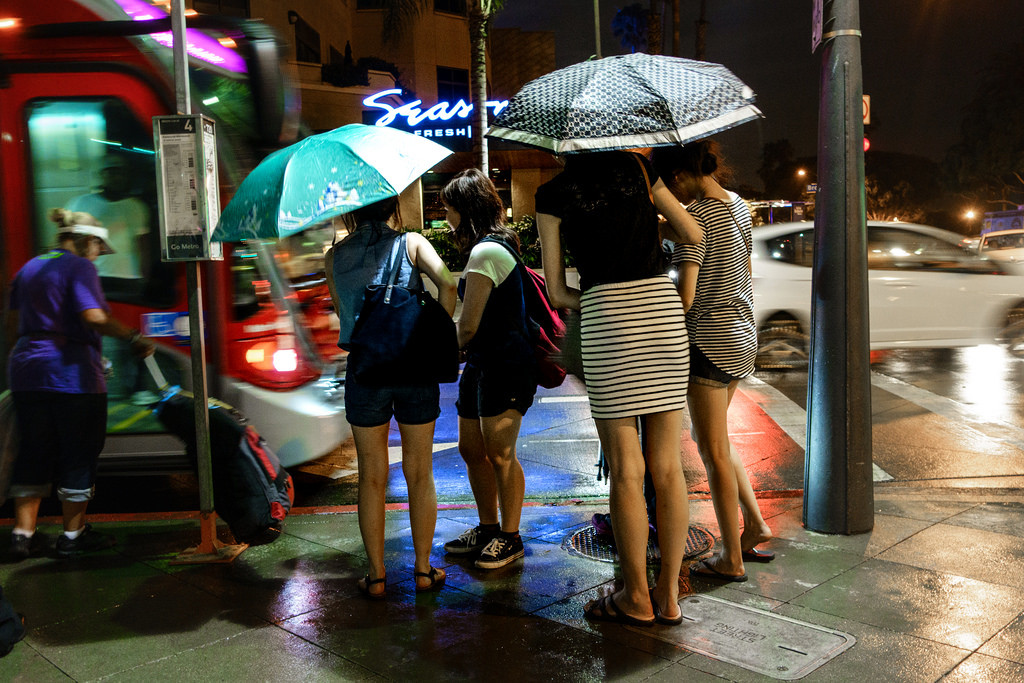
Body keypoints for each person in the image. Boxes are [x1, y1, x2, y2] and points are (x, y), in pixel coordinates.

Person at [535, 149, 702, 626]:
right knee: (668, 469)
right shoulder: (639, 170)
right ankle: (669, 597)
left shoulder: (551, 195)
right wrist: (678, 294)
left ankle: (636, 597)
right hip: (663, 312)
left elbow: (556, 291)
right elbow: (693, 233)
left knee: (627, 471)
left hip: (607, 319)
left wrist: (593, 300)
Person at [653, 140, 773, 582]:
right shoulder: (737, 205)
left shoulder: (699, 216)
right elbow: (699, 233)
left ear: (680, 178)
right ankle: (756, 526)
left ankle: (731, 558)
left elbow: (685, 297)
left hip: (707, 342)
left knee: (712, 452)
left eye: (672, 188)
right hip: (742, 335)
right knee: (722, 443)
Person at [4, 209, 155, 560]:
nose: (97, 258)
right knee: (78, 452)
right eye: (98, 249)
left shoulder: (28, 268)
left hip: (26, 371)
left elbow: (12, 327)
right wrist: (132, 335)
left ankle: (22, 536)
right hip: (71, 375)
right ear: (88, 241)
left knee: (33, 451)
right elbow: (94, 317)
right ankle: (72, 536)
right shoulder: (79, 268)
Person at [325, 198, 457, 598]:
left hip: (366, 372)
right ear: (392, 209)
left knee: (371, 475)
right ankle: (421, 570)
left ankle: (377, 575)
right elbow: (448, 284)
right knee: (419, 472)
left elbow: (343, 314)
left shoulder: (334, 258)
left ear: (351, 211)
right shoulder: (412, 243)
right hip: (414, 369)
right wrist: (435, 332)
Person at [440, 168, 536, 570]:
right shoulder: (487, 247)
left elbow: (468, 326)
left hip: (507, 366)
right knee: (472, 450)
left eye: (448, 210)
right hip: (483, 365)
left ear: (466, 209)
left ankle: (510, 538)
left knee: (500, 454)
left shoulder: (487, 252)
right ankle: (487, 526)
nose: (446, 219)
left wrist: (430, 350)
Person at [67, 151, 153, 403]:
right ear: (102, 175)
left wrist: (144, 276)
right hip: (93, 278)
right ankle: (94, 385)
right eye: (111, 171)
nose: (116, 176)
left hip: (128, 279)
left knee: (131, 333)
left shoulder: (135, 207)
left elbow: (143, 244)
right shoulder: (80, 204)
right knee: (93, 332)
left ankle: (137, 387)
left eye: (120, 172)